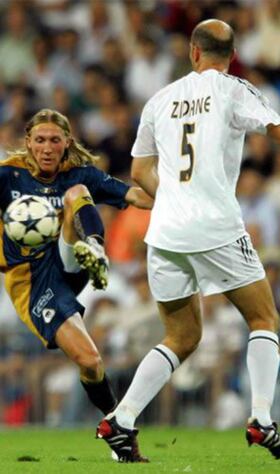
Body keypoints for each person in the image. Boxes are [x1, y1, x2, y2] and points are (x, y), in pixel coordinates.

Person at [96, 19, 280, 462]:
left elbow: (139, 171)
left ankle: (120, 419)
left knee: (181, 336)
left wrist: (174, 198)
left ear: (193, 53)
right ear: (231, 56)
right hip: (215, 225)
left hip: (165, 232)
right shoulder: (234, 90)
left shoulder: (159, 100)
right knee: (263, 318)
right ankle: (261, 418)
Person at [0, 109, 152, 433]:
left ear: (67, 141)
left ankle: (94, 247)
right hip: (33, 282)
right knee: (90, 361)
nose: (47, 147)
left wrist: (179, 197)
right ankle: (117, 425)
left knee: (77, 194)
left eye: (54, 140)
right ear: (28, 142)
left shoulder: (79, 173)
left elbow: (134, 195)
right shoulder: (7, 176)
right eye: (39, 140)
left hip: (71, 260)